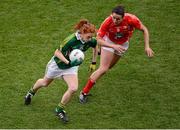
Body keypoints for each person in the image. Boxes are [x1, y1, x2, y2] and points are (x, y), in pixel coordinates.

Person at [24, 19, 98, 123]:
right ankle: (31, 92)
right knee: (45, 83)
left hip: (71, 67)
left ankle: (59, 109)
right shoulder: (71, 40)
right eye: (88, 37)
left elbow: (96, 47)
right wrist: (68, 62)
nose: (90, 39)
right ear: (82, 33)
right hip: (58, 65)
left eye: (91, 37)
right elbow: (57, 52)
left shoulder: (91, 41)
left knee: (73, 88)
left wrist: (93, 62)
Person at [79, 5, 154, 103]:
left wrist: (147, 46)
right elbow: (98, 40)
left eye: (118, 19)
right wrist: (113, 46)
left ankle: (95, 76)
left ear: (123, 17)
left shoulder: (132, 19)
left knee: (109, 67)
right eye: (113, 17)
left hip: (122, 44)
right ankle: (83, 93)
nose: (115, 20)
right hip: (108, 43)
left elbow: (144, 30)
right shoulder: (107, 22)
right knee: (103, 69)